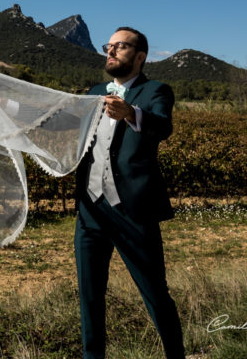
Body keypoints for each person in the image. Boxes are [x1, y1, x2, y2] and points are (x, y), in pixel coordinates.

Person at [73, 27, 184, 359]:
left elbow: (162, 126)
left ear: (139, 56)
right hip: (90, 211)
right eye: (109, 46)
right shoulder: (94, 91)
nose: (111, 51)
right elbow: (59, 119)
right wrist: (8, 104)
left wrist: (131, 113)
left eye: (120, 47)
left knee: (155, 293)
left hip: (133, 211)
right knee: (90, 295)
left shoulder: (155, 91)